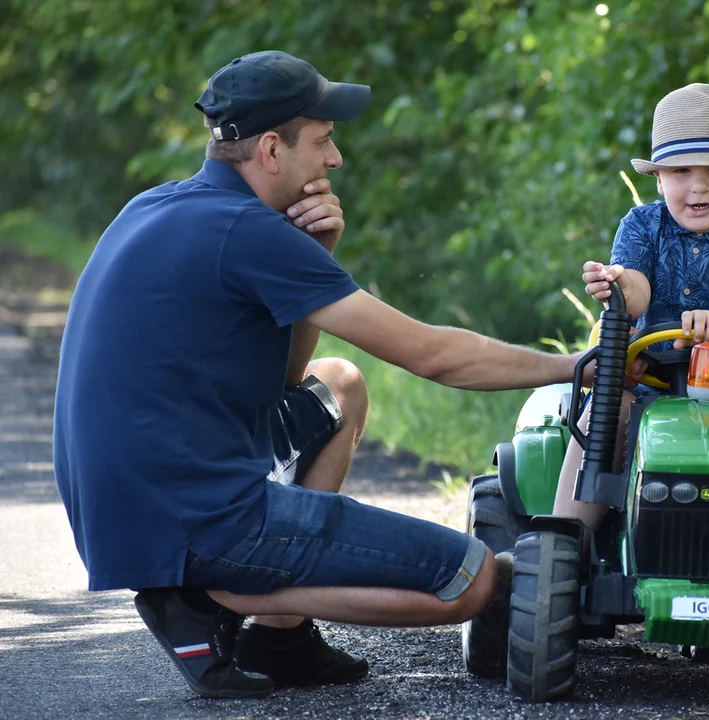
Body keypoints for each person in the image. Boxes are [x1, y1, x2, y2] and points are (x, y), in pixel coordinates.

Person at [53, 51, 588, 699]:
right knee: (470, 580)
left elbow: (287, 379)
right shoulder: (247, 230)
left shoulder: (159, 205)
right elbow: (434, 356)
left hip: (128, 504)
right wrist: (578, 367)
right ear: (272, 149)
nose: (335, 160)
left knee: (341, 384)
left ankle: (280, 636)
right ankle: (208, 598)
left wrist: (314, 255)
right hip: (194, 516)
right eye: (324, 140)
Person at [552, 84, 709, 573]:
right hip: (647, 381)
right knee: (605, 410)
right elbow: (639, 288)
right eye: (681, 171)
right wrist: (620, 285)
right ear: (659, 178)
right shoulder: (642, 226)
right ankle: (566, 545)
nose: (699, 186)